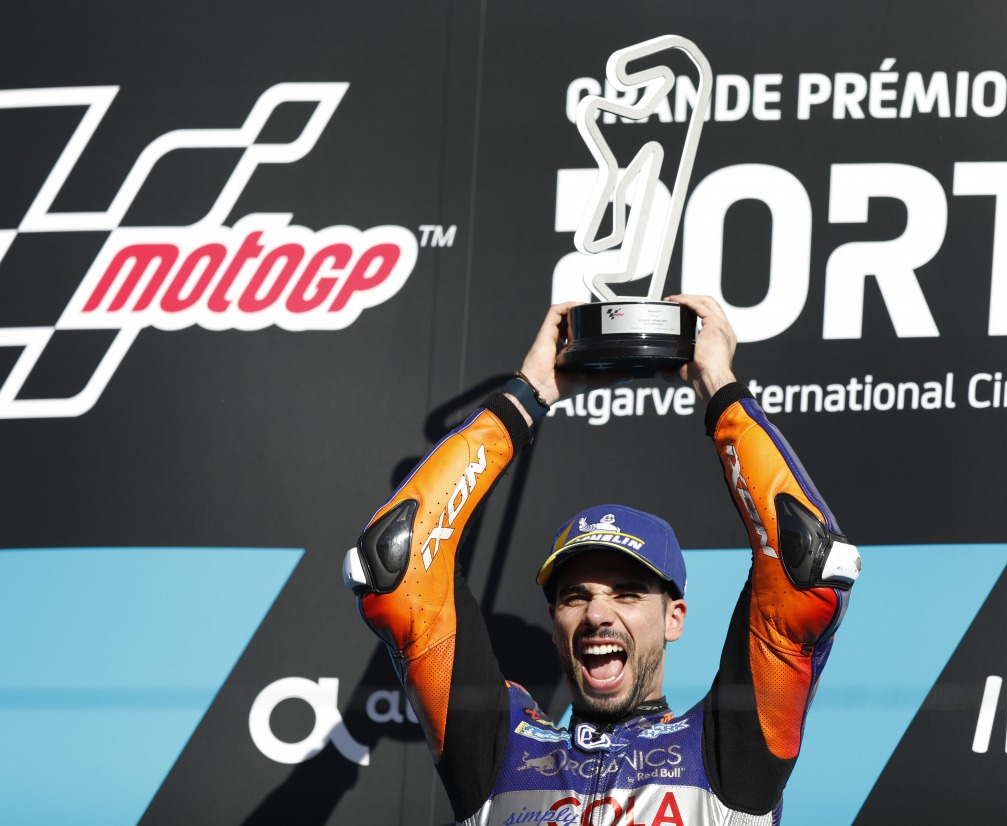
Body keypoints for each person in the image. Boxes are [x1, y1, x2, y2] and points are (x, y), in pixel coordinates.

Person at [343, 294, 860, 825]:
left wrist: (719, 390)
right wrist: (524, 400)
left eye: (628, 593)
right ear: (554, 620)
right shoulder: (500, 757)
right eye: (576, 596)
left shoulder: (730, 755)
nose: (596, 615)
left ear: (674, 618)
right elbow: (398, 571)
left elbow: (808, 569)